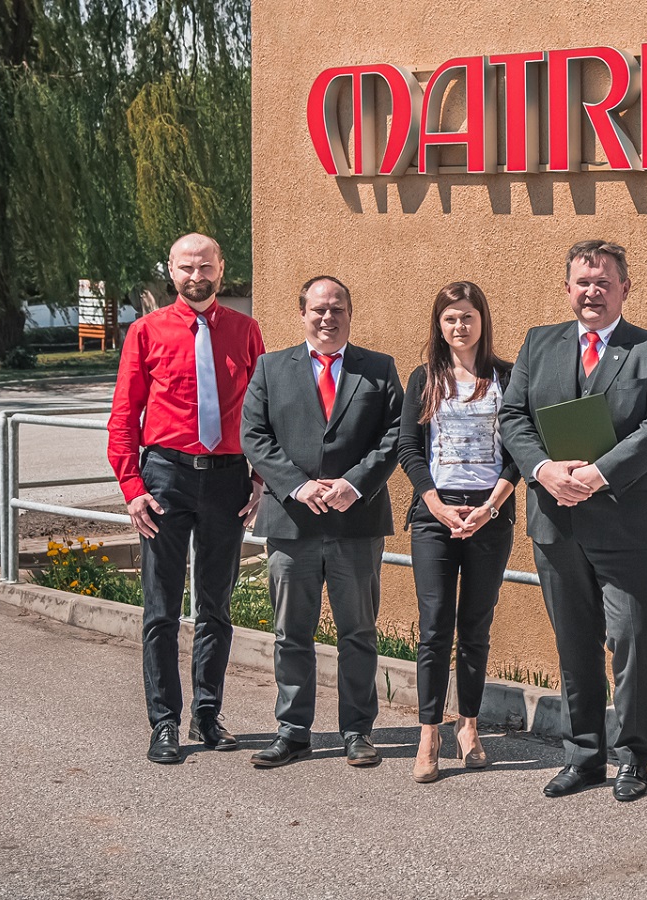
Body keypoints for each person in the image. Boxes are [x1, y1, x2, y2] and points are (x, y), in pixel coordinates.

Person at [497, 240, 647, 802]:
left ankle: (634, 757)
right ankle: (583, 756)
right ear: (567, 288)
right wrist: (542, 470)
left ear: (625, 287)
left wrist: (599, 474)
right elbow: (512, 416)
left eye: (604, 282)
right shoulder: (539, 343)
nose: (592, 292)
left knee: (632, 640)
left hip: (625, 523)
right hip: (555, 520)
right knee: (574, 643)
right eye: (583, 282)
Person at [108, 233, 265, 764]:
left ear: (221, 268)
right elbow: (124, 417)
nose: (196, 276)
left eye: (205, 266)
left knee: (216, 607)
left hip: (227, 480)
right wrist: (132, 489)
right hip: (165, 478)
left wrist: (259, 480)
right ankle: (164, 722)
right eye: (186, 267)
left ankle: (208, 713)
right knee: (161, 609)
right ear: (171, 271)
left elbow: (263, 413)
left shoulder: (246, 331)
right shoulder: (145, 331)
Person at [239, 276, 404, 769]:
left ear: (350, 314)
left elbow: (396, 434)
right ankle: (293, 731)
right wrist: (297, 485)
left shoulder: (378, 368)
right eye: (318, 309)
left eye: (337, 309)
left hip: (356, 521)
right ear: (302, 313)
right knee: (291, 633)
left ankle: (357, 730)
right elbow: (254, 434)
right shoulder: (271, 368)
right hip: (293, 523)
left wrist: (354, 483)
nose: (327, 317)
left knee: (358, 633)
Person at [397, 281, 519, 783]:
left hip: (491, 515)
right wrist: (436, 505)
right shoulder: (424, 378)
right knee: (434, 626)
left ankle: (468, 724)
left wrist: (491, 506)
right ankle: (429, 731)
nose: (460, 326)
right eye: (450, 318)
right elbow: (408, 447)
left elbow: (520, 448)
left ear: (482, 320)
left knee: (475, 626)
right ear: (439, 324)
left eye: (468, 316)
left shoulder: (508, 376)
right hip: (435, 517)